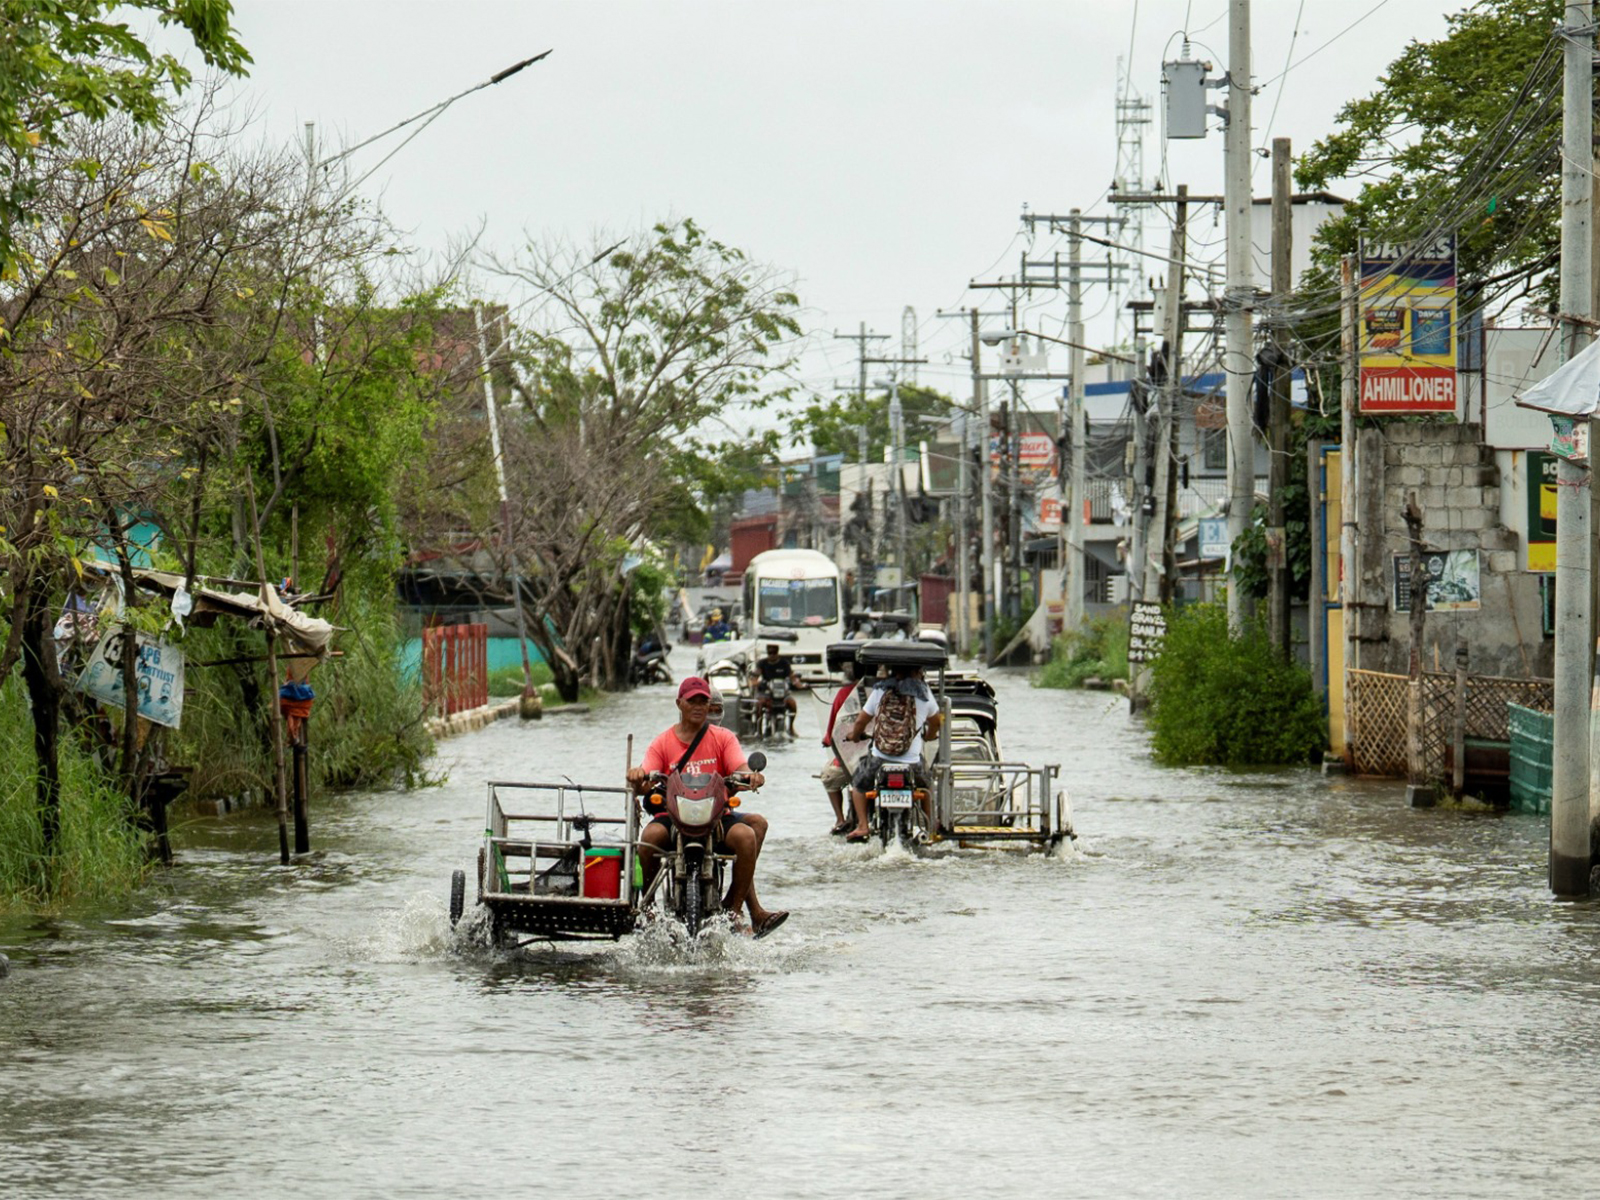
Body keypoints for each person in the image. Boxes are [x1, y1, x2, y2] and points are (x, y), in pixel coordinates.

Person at [626, 676, 788, 938]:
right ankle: (649, 907)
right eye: (693, 701)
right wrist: (638, 775)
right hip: (673, 816)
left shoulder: (723, 738)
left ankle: (733, 911)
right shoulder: (663, 741)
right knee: (648, 839)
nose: (699, 707)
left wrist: (750, 776)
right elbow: (647, 773)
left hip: (715, 817)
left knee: (747, 837)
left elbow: (740, 766)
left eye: (704, 701)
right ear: (680, 703)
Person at [841, 664, 942, 843]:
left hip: (880, 759)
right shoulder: (924, 693)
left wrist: (855, 736)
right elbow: (936, 722)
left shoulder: (880, 690)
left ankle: (863, 825)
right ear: (918, 672)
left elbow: (860, 722)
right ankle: (931, 826)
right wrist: (929, 736)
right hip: (911, 763)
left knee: (858, 786)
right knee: (927, 788)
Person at [819, 661, 870, 835]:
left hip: (852, 754)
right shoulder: (885, 692)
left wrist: (827, 739)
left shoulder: (845, 693)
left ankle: (840, 819)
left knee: (828, 776)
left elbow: (833, 727)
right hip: (882, 753)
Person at [751, 642, 801, 735]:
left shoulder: (784, 663)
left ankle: (791, 727)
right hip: (766, 691)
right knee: (759, 704)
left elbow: (792, 677)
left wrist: (800, 685)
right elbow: (755, 677)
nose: (772, 655)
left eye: (774, 652)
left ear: (778, 652)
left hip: (782, 692)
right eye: (770, 653)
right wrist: (755, 682)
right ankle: (758, 730)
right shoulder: (762, 663)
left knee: (792, 704)